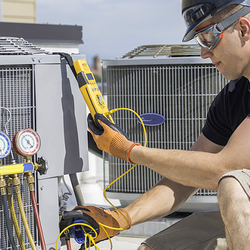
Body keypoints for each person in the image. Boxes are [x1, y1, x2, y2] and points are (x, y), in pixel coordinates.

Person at [66, 0, 250, 249]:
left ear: (243, 28)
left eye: (208, 37)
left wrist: (130, 151)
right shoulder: (232, 97)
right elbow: (186, 178)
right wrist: (122, 218)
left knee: (232, 185)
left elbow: (223, 169)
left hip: (239, 199)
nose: (204, 53)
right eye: (200, 41)